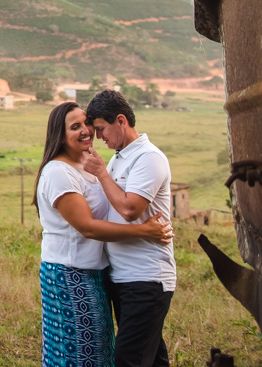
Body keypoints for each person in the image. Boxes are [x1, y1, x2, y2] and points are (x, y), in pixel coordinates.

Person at [34, 101, 173, 367]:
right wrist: (144, 231)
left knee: (102, 353)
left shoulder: (94, 167)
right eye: (76, 127)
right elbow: (87, 226)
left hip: (100, 274)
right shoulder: (58, 172)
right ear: (60, 136)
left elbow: (124, 206)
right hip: (71, 273)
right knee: (77, 353)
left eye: (88, 124)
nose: (88, 131)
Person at [81, 90, 177, 367]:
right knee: (151, 358)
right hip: (123, 277)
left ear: (120, 120)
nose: (99, 137)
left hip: (146, 278)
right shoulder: (119, 157)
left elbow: (129, 208)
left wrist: (100, 173)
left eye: (101, 129)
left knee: (128, 359)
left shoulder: (149, 158)